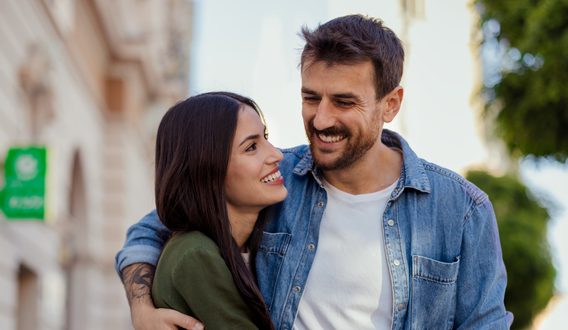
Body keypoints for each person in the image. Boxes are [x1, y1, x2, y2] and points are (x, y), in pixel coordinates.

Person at [117, 15, 513, 330]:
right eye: (311, 97)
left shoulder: (461, 210)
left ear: (390, 105)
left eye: (343, 101)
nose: (321, 119)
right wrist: (141, 307)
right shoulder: (272, 179)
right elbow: (154, 230)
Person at [129, 92, 285, 330]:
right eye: (252, 147)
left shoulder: (225, 248)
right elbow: (141, 233)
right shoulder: (196, 253)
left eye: (266, 138)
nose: (277, 154)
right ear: (209, 172)